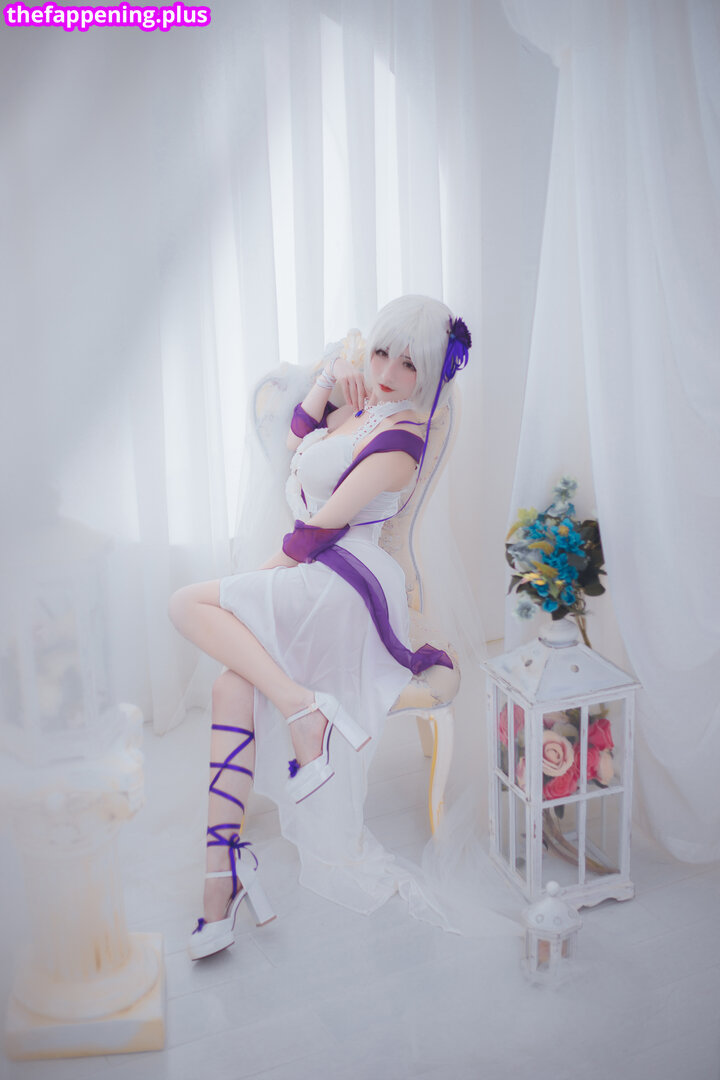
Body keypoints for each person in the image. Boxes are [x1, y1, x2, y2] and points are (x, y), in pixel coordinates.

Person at [168, 294, 471, 960]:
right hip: (314, 572)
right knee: (228, 686)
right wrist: (333, 373)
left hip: (346, 580)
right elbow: (295, 438)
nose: (387, 372)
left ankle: (302, 711)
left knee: (187, 604)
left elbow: (322, 527)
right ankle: (220, 880)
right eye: (382, 353)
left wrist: (253, 586)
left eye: (409, 363)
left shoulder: (403, 440)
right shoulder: (361, 408)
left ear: (431, 374)